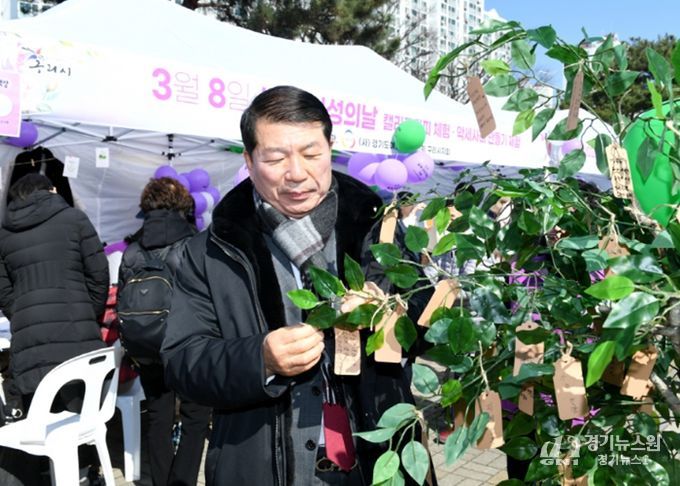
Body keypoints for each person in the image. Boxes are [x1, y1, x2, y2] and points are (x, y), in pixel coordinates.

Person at [161, 85, 431, 486]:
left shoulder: (378, 229)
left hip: (378, 459)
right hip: (260, 465)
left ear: (330, 149)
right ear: (250, 160)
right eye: (275, 158)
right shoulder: (211, 251)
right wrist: (260, 359)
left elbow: (427, 320)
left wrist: (393, 313)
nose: (297, 173)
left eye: (311, 154)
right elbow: (183, 362)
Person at [118, 177, 211, 486]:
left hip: (146, 345)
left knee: (158, 416)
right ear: (183, 204)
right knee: (195, 417)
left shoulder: (132, 249)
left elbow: (123, 298)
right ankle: (182, 481)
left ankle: (161, 481)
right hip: (187, 344)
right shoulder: (194, 244)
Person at [0, 173, 109, 411]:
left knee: (39, 418)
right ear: (51, 190)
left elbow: (3, 289)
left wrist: (20, 313)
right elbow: (99, 274)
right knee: (81, 416)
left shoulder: (5, 234)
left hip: (29, 340)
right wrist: (87, 311)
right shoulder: (75, 219)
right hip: (76, 330)